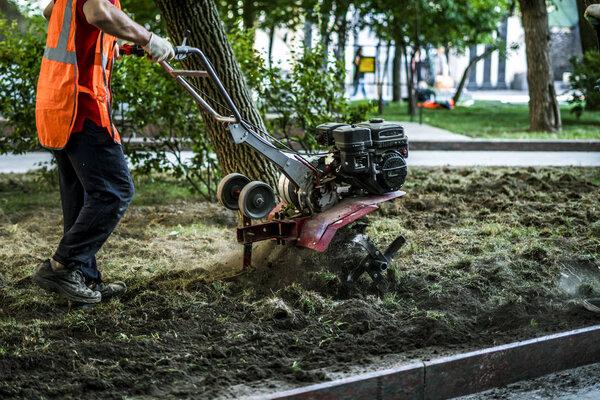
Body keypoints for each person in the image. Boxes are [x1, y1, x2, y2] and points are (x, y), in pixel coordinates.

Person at [32, 0, 174, 307]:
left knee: (82, 196)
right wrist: (148, 38)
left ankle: (81, 278)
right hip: (80, 106)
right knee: (115, 191)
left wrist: (122, 45)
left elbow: (62, 17)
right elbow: (97, 12)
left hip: (58, 103)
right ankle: (61, 266)